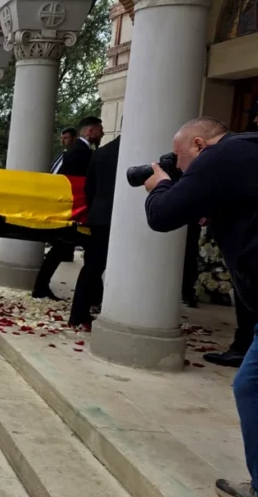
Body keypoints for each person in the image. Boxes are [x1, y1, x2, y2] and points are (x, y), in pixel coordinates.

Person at [137, 118, 258, 497]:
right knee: (250, 387)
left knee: (251, 387)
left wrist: (160, 186)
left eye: (179, 157)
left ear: (199, 144)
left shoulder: (219, 156)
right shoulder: (246, 149)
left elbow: (162, 215)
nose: (180, 166)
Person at [32, 116, 104, 300]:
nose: (102, 132)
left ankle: (41, 287)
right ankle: (95, 296)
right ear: (90, 131)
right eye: (99, 129)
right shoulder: (81, 152)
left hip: (73, 209)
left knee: (62, 250)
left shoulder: (75, 151)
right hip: (75, 210)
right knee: (77, 251)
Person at [69, 136, 119, 328]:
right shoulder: (141, 152)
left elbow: (90, 188)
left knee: (92, 267)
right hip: (124, 217)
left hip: (100, 216)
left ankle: (78, 313)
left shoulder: (101, 152)